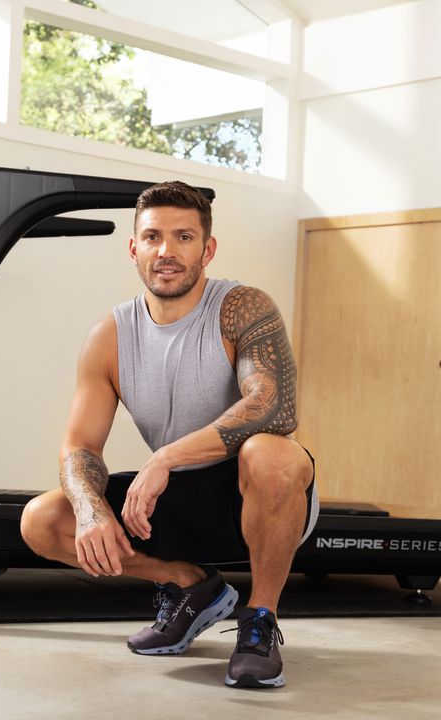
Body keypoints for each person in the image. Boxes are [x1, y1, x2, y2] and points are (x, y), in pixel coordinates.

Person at [19, 180, 317, 689]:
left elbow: (273, 408)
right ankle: (188, 585)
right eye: (153, 237)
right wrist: (91, 511)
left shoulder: (242, 307)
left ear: (208, 248)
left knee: (274, 454)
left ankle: (259, 620)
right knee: (43, 520)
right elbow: (80, 446)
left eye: (183, 237)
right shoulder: (110, 336)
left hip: (250, 494)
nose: (167, 251)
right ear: (133, 248)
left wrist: (165, 459)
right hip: (173, 504)